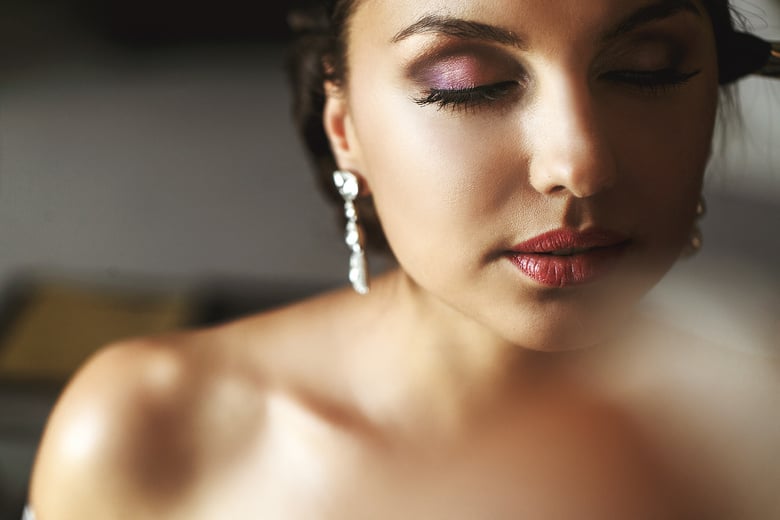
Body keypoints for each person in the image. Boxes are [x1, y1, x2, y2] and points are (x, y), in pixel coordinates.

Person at [26, 0, 780, 518]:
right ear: (345, 126)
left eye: (645, 67)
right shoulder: (149, 434)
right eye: (468, 84)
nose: (579, 162)